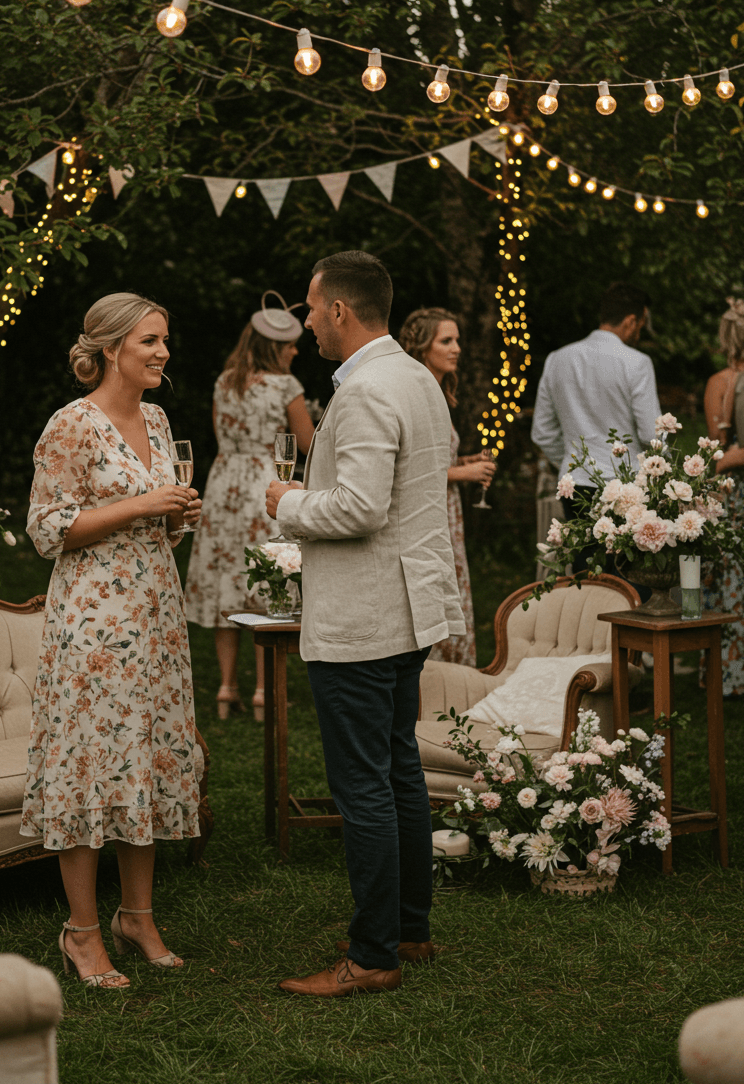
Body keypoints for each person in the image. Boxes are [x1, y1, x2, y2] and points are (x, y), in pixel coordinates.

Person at [265, 251, 464, 998]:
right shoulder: (415, 379)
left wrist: (284, 502)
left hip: (366, 616)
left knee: (365, 787)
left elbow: (359, 507)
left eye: (312, 309)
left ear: (341, 311)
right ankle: (408, 927)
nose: (307, 321)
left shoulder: (370, 390)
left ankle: (374, 954)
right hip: (407, 609)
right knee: (398, 768)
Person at [21, 293, 202, 989]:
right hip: (95, 622)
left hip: (155, 614)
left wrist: (177, 513)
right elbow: (46, 529)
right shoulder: (71, 425)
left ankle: (138, 915)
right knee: (93, 763)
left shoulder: (155, 418)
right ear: (111, 348)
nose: (161, 352)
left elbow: (157, 519)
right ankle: (82, 931)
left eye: (164, 340)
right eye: (150, 341)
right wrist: (143, 505)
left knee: (144, 758)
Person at [184, 294, 314, 721]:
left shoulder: (225, 381)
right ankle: (263, 691)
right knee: (266, 580)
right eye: (290, 344)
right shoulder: (286, 387)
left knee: (228, 580)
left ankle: (226, 688)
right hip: (265, 485)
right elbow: (308, 442)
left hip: (224, 484)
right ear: (274, 347)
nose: (296, 350)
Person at [399, 307, 496, 666]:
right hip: (426, 509)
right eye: (446, 340)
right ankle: (434, 678)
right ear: (423, 347)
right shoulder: (415, 392)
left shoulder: (438, 391)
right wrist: (463, 476)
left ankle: (453, 683)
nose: (456, 348)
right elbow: (408, 469)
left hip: (446, 507)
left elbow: (433, 460)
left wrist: (465, 462)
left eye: (457, 340)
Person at [532, 282, 662, 510]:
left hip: (574, 486)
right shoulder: (637, 362)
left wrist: (573, 463)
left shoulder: (557, 359)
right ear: (631, 321)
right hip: (626, 487)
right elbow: (651, 434)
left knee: (582, 548)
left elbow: (542, 432)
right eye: (640, 326)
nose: (639, 334)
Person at [703, 297, 744, 697]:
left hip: (731, 493)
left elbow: (718, 447)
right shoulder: (724, 383)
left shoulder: (717, 383)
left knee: (729, 577)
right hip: (736, 491)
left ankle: (727, 674)